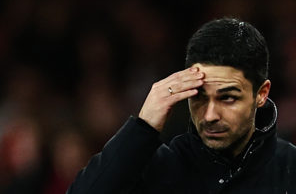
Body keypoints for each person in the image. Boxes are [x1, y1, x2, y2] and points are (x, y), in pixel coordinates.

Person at [67, 17, 296, 193]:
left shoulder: (290, 169)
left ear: (261, 93)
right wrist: (142, 126)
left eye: (227, 98)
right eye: (198, 97)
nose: (209, 115)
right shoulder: (164, 167)